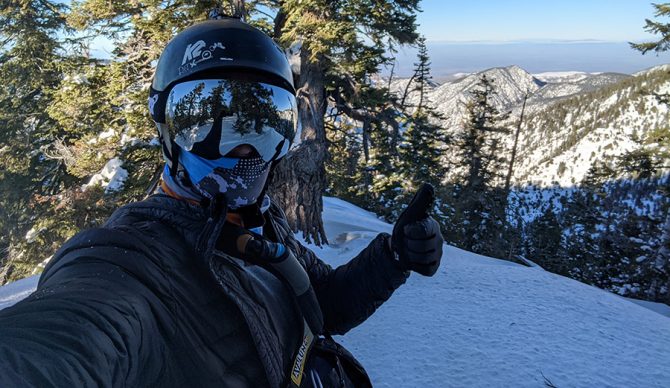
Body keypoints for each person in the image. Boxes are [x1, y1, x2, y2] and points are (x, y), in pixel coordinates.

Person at [0, 16, 443, 388]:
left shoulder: (260, 224)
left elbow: (323, 302)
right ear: (168, 133)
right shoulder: (131, 260)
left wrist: (392, 258)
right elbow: (70, 335)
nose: (246, 154)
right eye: (206, 125)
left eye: (268, 128)